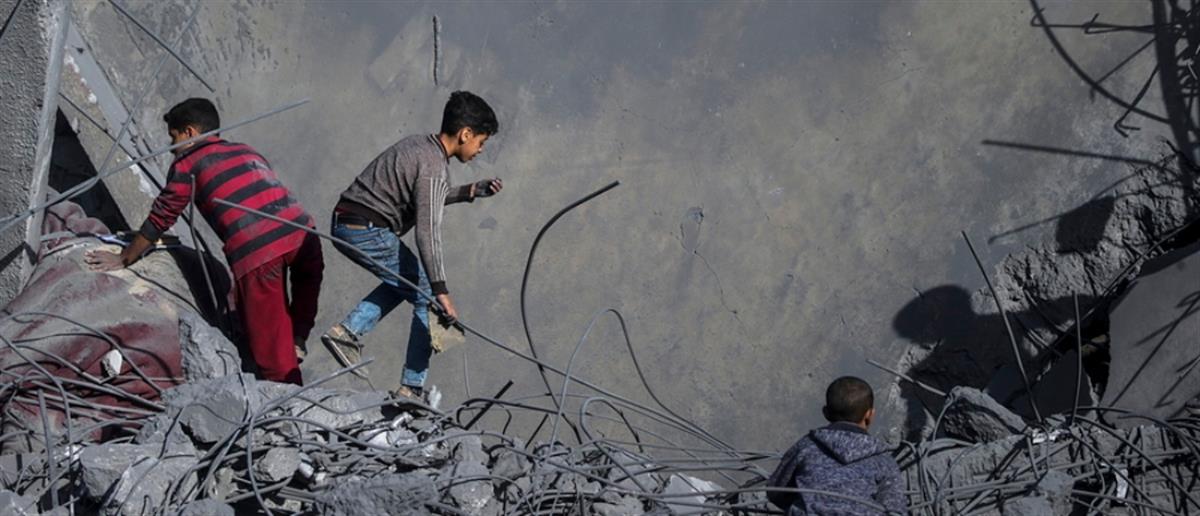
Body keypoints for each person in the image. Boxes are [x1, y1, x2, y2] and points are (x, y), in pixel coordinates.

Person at [86, 98, 323, 386]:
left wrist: (125, 258)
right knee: (302, 298)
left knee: (270, 348)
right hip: (304, 234)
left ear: (189, 132)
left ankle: (288, 400)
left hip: (260, 252)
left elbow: (162, 216)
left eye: (173, 137)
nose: (171, 147)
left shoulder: (188, 162)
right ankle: (297, 340)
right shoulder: (245, 150)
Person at [321, 90, 502, 399]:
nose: (480, 150)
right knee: (426, 296)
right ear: (466, 134)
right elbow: (427, 232)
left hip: (349, 222)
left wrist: (469, 191)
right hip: (367, 228)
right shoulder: (434, 166)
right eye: (481, 141)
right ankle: (411, 387)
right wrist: (441, 290)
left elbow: (426, 196)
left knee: (405, 281)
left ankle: (347, 332)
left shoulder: (420, 146)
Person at [767, 377, 906, 515]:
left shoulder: (806, 446)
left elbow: (776, 491)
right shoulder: (883, 461)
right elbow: (896, 509)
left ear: (825, 413)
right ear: (869, 415)